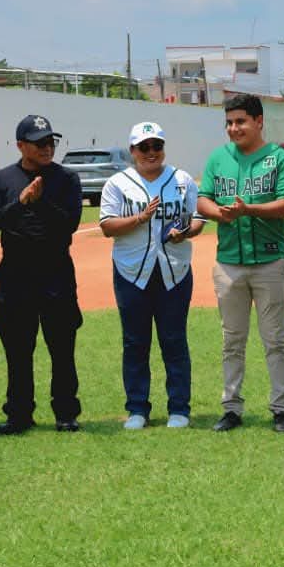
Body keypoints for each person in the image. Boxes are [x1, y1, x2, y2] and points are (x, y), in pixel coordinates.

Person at [197, 93, 284, 433]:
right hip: (228, 262)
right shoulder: (218, 158)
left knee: (274, 340)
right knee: (232, 339)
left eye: (240, 121)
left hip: (268, 259)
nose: (234, 128)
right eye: (229, 122)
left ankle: (281, 409)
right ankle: (231, 407)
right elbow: (203, 199)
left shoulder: (279, 158)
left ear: (259, 122)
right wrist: (219, 212)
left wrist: (247, 210)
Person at [0, 115, 85, 434]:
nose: (47, 148)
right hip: (15, 275)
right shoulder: (2, 179)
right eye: (39, 143)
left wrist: (40, 203)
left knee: (62, 349)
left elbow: (70, 224)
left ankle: (66, 413)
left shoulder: (66, 178)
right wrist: (21, 202)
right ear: (21, 145)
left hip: (56, 273)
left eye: (50, 142)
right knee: (18, 351)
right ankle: (19, 414)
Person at [100, 121, 205, 430]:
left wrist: (185, 233)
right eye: (144, 147)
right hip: (132, 271)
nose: (151, 152)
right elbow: (107, 226)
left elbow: (197, 219)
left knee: (174, 340)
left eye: (156, 146)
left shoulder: (181, 179)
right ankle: (137, 409)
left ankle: (179, 409)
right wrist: (140, 218)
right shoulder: (118, 184)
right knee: (135, 342)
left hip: (174, 270)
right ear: (132, 151)